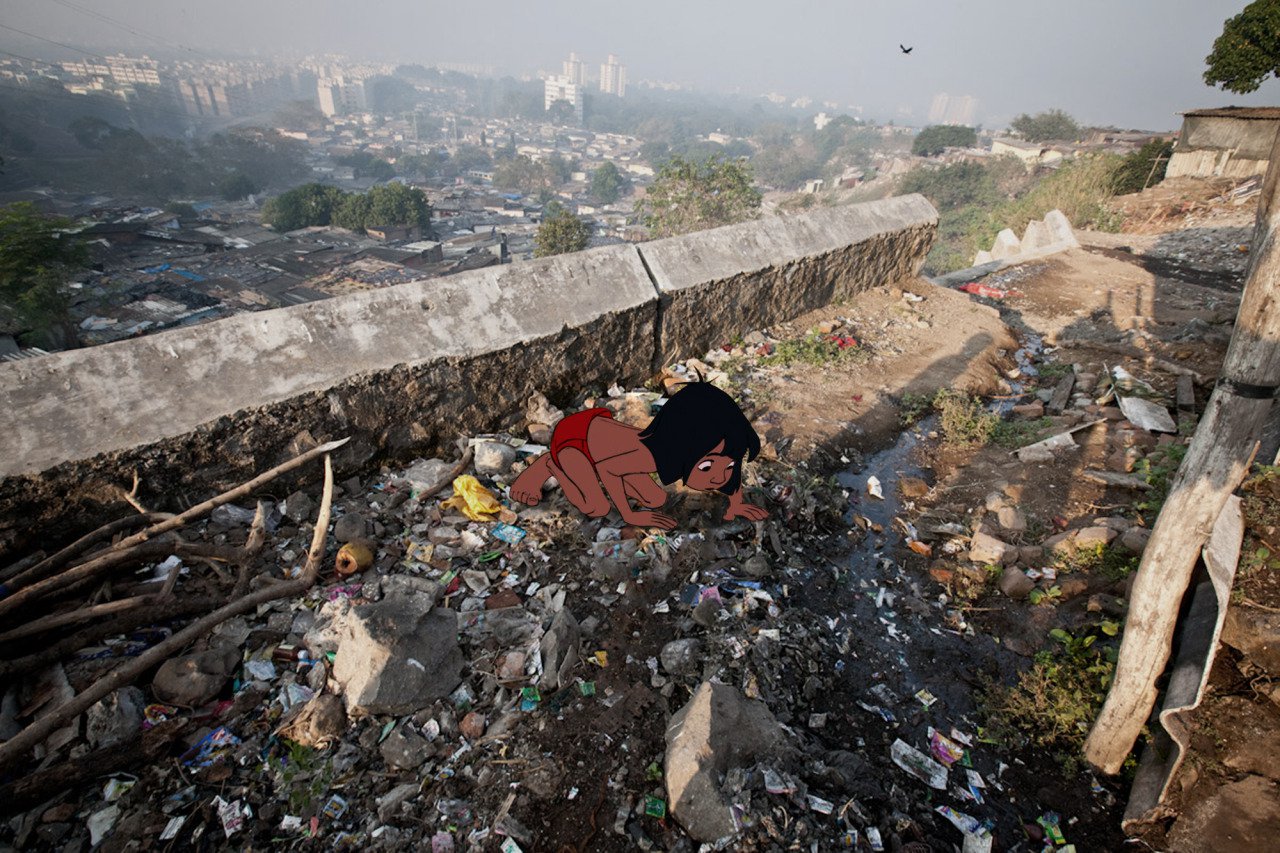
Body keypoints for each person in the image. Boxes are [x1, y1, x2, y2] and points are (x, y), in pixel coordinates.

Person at [509, 382, 767, 530]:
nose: (717, 478)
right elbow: (611, 470)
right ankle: (550, 464)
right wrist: (629, 515)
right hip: (575, 441)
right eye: (708, 466)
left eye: (727, 466)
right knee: (595, 506)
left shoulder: (696, 450)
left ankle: (590, 468)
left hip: (603, 445)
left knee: (655, 497)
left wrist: (737, 503)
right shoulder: (653, 455)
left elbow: (728, 463)